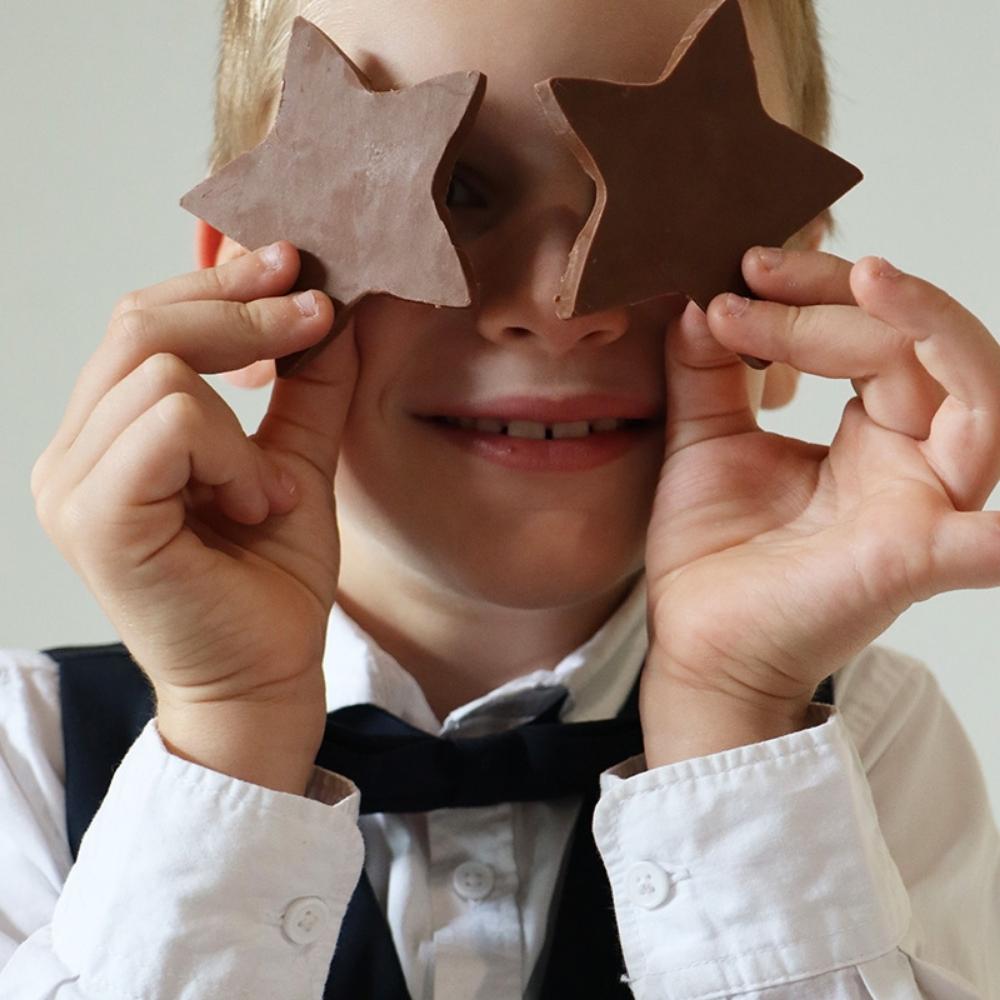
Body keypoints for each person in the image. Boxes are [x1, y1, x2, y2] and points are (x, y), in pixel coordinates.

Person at [2, 0, 998, 997]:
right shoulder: (32, 756)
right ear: (248, 278)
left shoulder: (865, 739)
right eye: (451, 190)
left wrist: (731, 717)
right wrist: (229, 738)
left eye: (661, 187)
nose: (557, 309)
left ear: (794, 288)